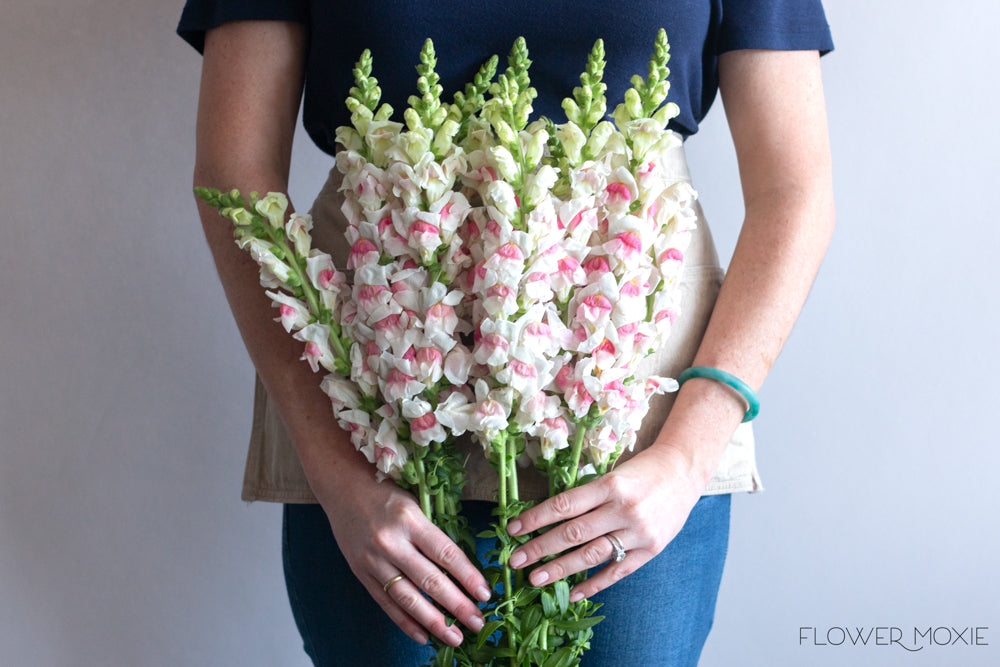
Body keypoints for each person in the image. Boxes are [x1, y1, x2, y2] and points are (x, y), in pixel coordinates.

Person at [178, 2, 834, 664]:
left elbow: (795, 188)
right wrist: (334, 469)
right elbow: (234, 175)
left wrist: (685, 456)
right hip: (369, 418)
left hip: (641, 437)